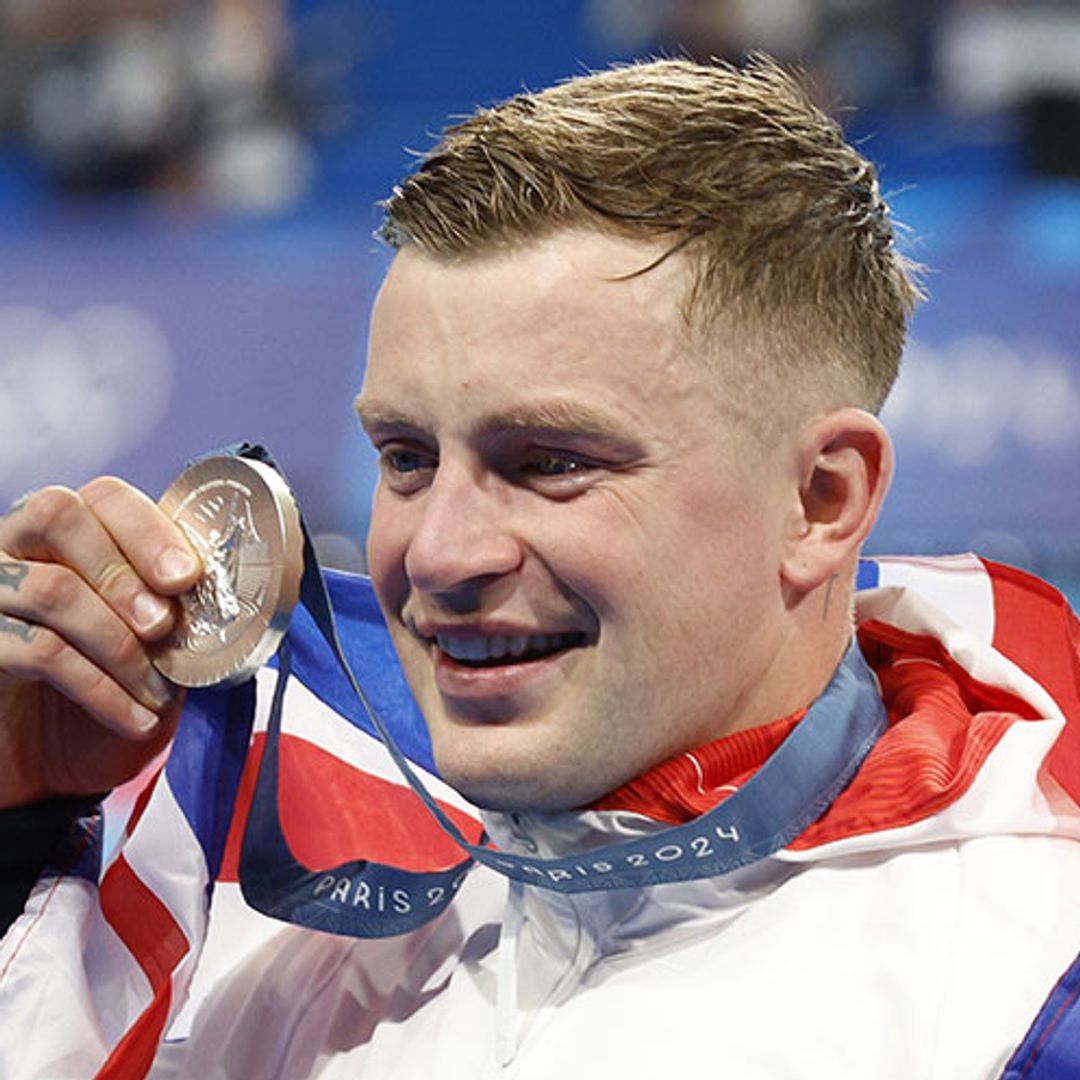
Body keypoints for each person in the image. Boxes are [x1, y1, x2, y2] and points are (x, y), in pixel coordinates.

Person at [2, 55, 1080, 1079]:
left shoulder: (1025, 993)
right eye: (407, 458)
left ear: (821, 500)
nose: (438, 553)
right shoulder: (238, 885)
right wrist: (18, 836)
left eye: (550, 463)